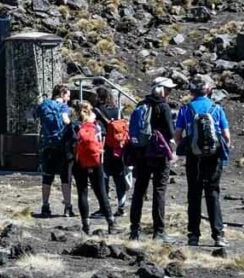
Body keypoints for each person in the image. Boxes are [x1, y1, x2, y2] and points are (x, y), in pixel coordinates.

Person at [174, 75, 231, 248]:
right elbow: (226, 136)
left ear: (192, 91)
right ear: (208, 90)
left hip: (194, 157)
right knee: (213, 193)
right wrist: (221, 149)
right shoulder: (216, 108)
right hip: (213, 157)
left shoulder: (186, 109)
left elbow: (177, 135)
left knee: (194, 194)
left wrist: (189, 147)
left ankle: (193, 236)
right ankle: (218, 235)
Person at [128, 77, 177, 242]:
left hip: (140, 154)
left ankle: (134, 230)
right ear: (162, 90)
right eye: (168, 90)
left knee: (139, 191)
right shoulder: (163, 107)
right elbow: (170, 132)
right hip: (159, 154)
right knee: (159, 190)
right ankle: (159, 231)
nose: (170, 93)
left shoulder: (141, 104)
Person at [73, 101, 116, 234]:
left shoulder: (75, 126)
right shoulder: (97, 126)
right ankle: (111, 223)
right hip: (97, 161)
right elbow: (103, 142)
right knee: (101, 191)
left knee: (82, 192)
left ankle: (86, 225)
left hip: (79, 162)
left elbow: (70, 143)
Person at [35, 84, 74, 218]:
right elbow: (65, 120)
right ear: (62, 95)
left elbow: (35, 115)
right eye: (67, 95)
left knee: (47, 178)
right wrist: (71, 126)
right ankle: (68, 207)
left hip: (47, 146)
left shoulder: (44, 104)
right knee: (65, 178)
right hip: (62, 147)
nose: (68, 99)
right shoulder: (64, 107)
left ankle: (45, 205)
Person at [93, 86, 130, 218]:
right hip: (119, 148)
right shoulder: (118, 111)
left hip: (106, 148)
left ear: (99, 97)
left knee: (104, 177)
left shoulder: (97, 111)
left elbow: (99, 131)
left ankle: (105, 207)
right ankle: (121, 206)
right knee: (119, 177)